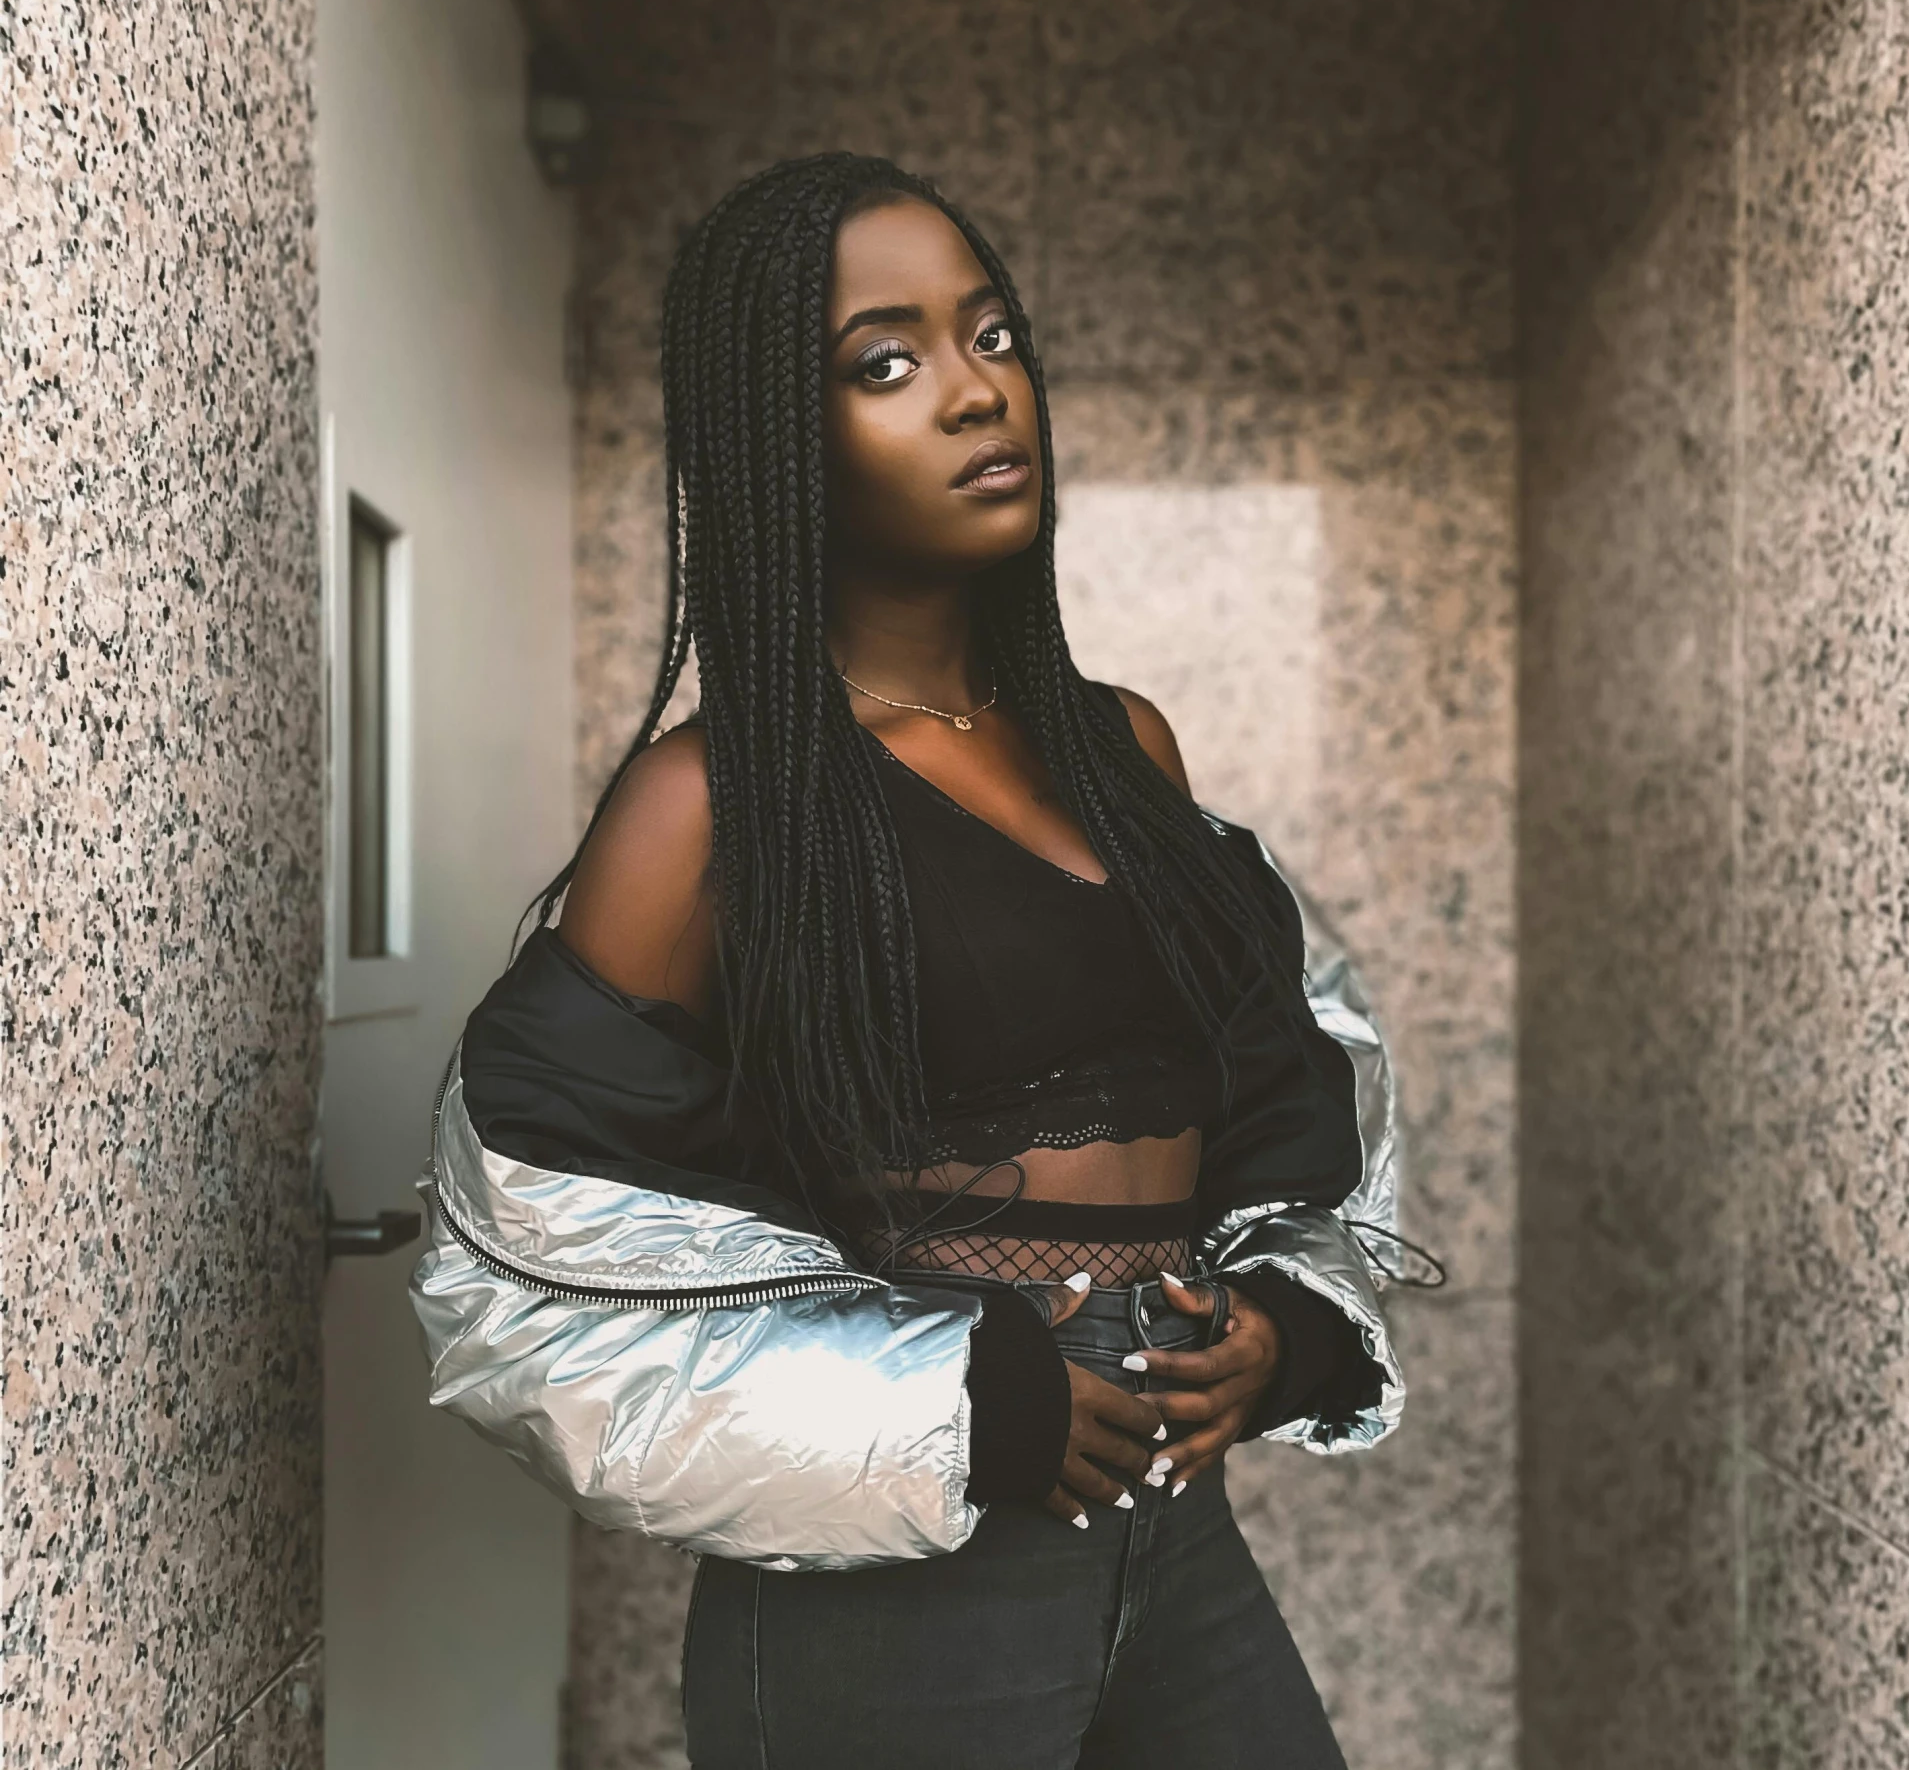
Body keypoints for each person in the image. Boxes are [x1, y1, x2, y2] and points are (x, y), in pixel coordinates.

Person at [410, 154, 1407, 1769]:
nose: (972, 393)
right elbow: (529, 1276)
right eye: (885, 362)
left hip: (1178, 1515)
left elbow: (1287, 1067)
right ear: (774, 438)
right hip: (902, 1559)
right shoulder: (707, 807)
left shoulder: (1121, 746)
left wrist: (1286, 1326)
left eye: (992, 334)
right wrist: (966, 1403)